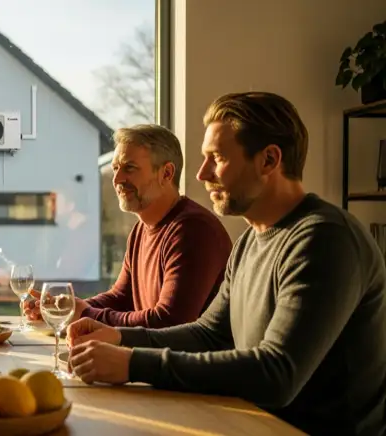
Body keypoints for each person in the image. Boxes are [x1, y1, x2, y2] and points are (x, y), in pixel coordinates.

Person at [65, 92, 386, 436]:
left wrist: (132, 363)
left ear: (269, 160)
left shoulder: (324, 239)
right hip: (249, 423)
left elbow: (277, 373)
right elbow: (210, 334)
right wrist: (118, 337)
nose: (202, 174)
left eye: (216, 158)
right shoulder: (251, 239)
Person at [25, 124, 232, 328]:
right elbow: (122, 297)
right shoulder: (141, 229)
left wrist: (86, 313)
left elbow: (169, 321)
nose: (117, 179)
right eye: (116, 168)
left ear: (166, 174)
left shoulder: (192, 230)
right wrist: (66, 309)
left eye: (129, 168)